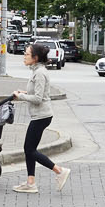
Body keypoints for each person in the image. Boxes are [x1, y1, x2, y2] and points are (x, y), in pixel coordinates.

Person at [11, 43, 70, 193]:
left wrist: (20, 96)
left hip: (41, 116)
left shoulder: (39, 73)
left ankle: (59, 171)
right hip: (39, 115)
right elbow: (39, 93)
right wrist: (24, 92)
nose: (24, 56)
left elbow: (38, 99)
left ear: (35, 58)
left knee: (29, 149)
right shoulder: (37, 71)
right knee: (30, 149)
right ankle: (30, 183)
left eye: (27, 54)